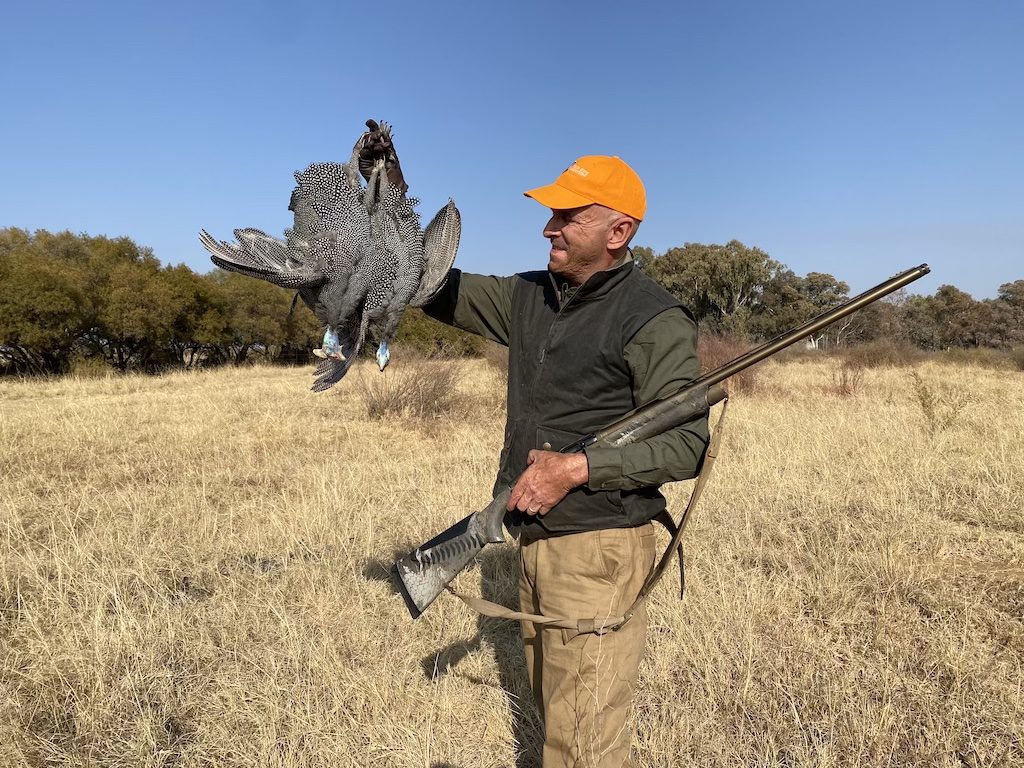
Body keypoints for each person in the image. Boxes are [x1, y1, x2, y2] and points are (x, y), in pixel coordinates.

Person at [420, 154, 710, 767]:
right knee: (557, 715)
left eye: (568, 216)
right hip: (535, 538)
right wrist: (386, 224)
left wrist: (576, 468)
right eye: (551, 213)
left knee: (583, 743)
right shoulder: (531, 297)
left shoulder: (653, 318)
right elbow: (436, 288)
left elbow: (685, 446)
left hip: (598, 547)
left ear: (618, 233)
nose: (549, 227)